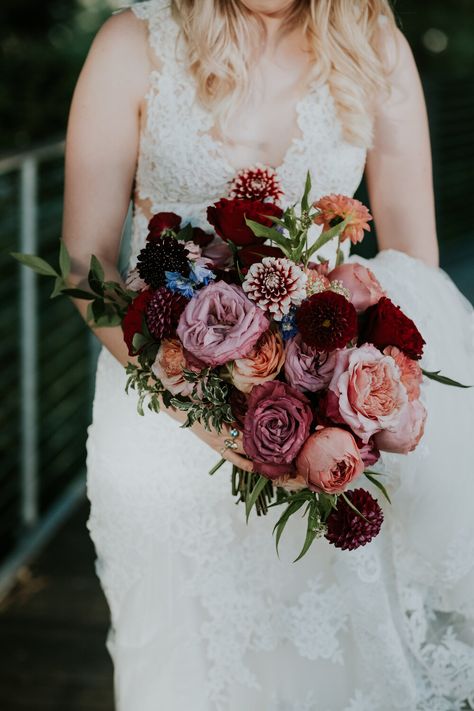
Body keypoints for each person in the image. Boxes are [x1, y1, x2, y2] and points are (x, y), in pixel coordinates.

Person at [62, 1, 474, 709]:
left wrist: (347, 405)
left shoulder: (377, 47)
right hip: (163, 420)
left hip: (322, 431)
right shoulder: (131, 45)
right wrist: (210, 421)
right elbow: (85, 268)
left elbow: (415, 263)